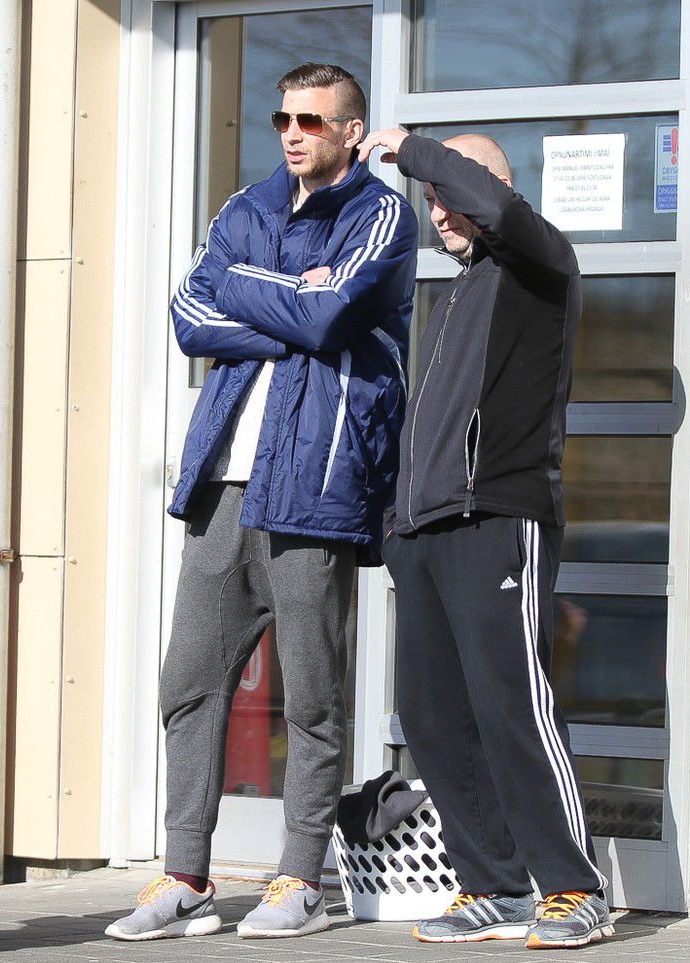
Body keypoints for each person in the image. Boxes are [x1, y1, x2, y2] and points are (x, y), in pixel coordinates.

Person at [106, 64, 417, 942]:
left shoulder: (380, 216)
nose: (292, 133)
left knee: (312, 697)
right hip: (223, 488)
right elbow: (189, 314)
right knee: (188, 683)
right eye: (283, 118)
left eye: (311, 120)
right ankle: (186, 877)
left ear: (351, 131)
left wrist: (258, 292)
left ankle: (300, 878)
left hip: (313, 488)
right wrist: (292, 302)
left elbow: (329, 315)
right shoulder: (244, 207)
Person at [356, 126, 613, 949]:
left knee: (512, 704)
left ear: (491, 186)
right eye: (430, 203)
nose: (440, 212)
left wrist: (413, 150)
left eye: (450, 194)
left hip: (499, 518)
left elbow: (496, 208)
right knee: (434, 716)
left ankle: (573, 887)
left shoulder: (541, 262)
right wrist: (397, 528)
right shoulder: (460, 293)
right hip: (425, 532)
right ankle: (492, 885)